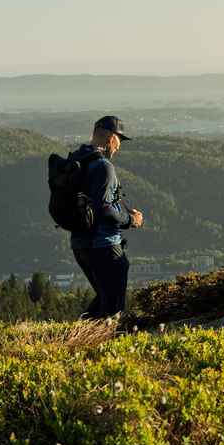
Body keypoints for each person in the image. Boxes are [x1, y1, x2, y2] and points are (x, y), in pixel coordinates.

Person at [68, 116, 144, 320]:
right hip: (104, 245)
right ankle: (93, 337)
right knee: (114, 307)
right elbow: (104, 209)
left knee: (105, 298)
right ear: (111, 138)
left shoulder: (78, 158)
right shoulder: (103, 166)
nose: (119, 147)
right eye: (119, 140)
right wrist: (131, 220)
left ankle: (79, 334)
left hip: (80, 243)